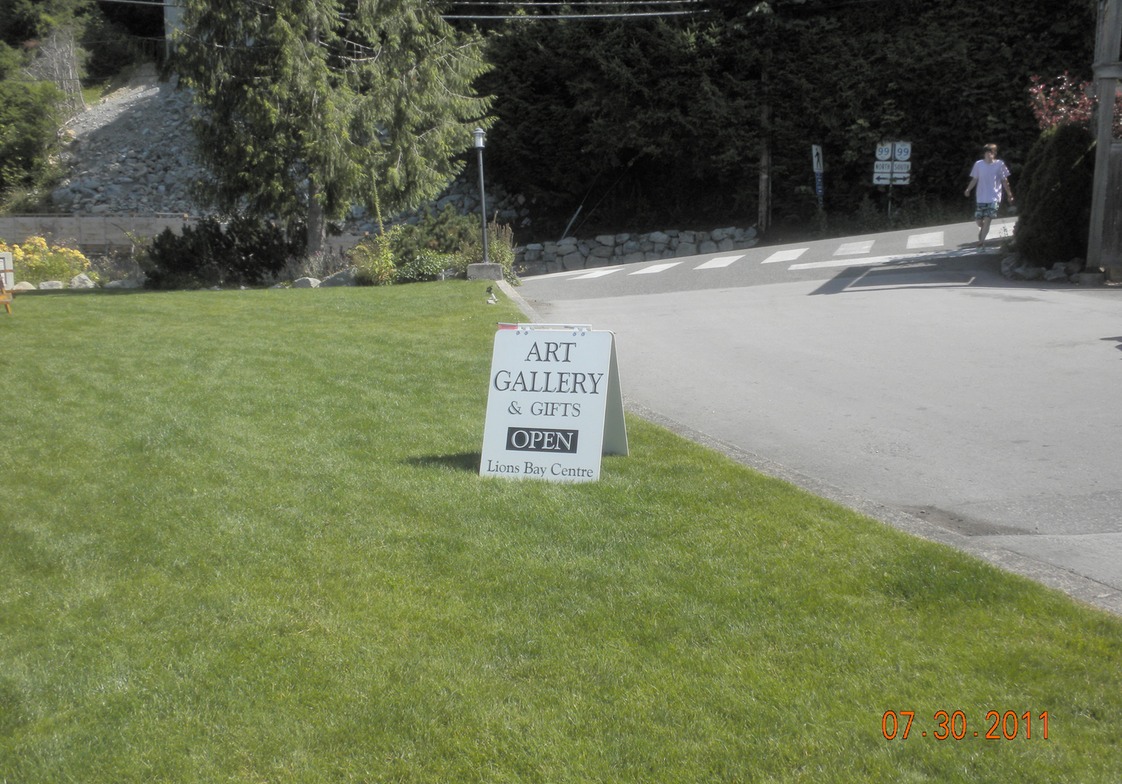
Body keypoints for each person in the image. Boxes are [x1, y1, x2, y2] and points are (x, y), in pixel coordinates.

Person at [964, 143, 1014, 243]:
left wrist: (1009, 194)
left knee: (987, 219)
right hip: (981, 197)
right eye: (986, 152)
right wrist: (968, 189)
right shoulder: (979, 164)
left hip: (994, 197)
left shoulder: (1000, 164)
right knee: (979, 221)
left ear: (994, 153)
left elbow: (1005, 181)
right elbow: (974, 179)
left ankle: (981, 242)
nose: (987, 154)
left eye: (990, 152)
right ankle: (983, 231)